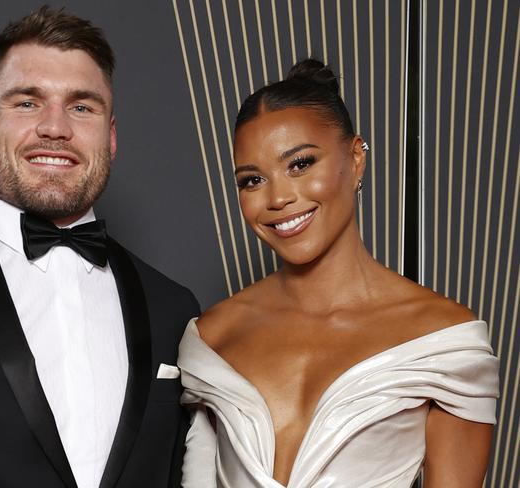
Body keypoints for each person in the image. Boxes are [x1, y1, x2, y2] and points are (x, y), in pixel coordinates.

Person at [0, 6, 198, 488]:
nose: (55, 127)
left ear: (110, 138)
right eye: (27, 103)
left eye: (81, 107)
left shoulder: (172, 307)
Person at [178, 59, 498, 488]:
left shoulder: (442, 342)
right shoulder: (213, 338)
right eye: (252, 180)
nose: (278, 198)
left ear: (356, 157)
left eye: (300, 164)